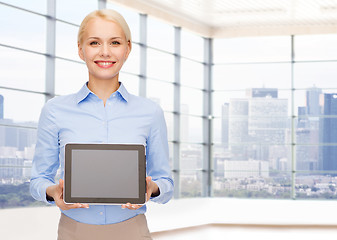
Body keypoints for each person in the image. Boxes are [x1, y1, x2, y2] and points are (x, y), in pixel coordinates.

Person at [30, 9, 174, 240]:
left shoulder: (150, 112)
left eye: (115, 42)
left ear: (127, 49)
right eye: (94, 42)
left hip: (133, 230)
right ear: (81, 49)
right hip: (73, 231)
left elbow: (166, 183)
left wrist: (152, 188)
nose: (105, 52)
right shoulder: (55, 110)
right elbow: (38, 180)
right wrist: (53, 192)